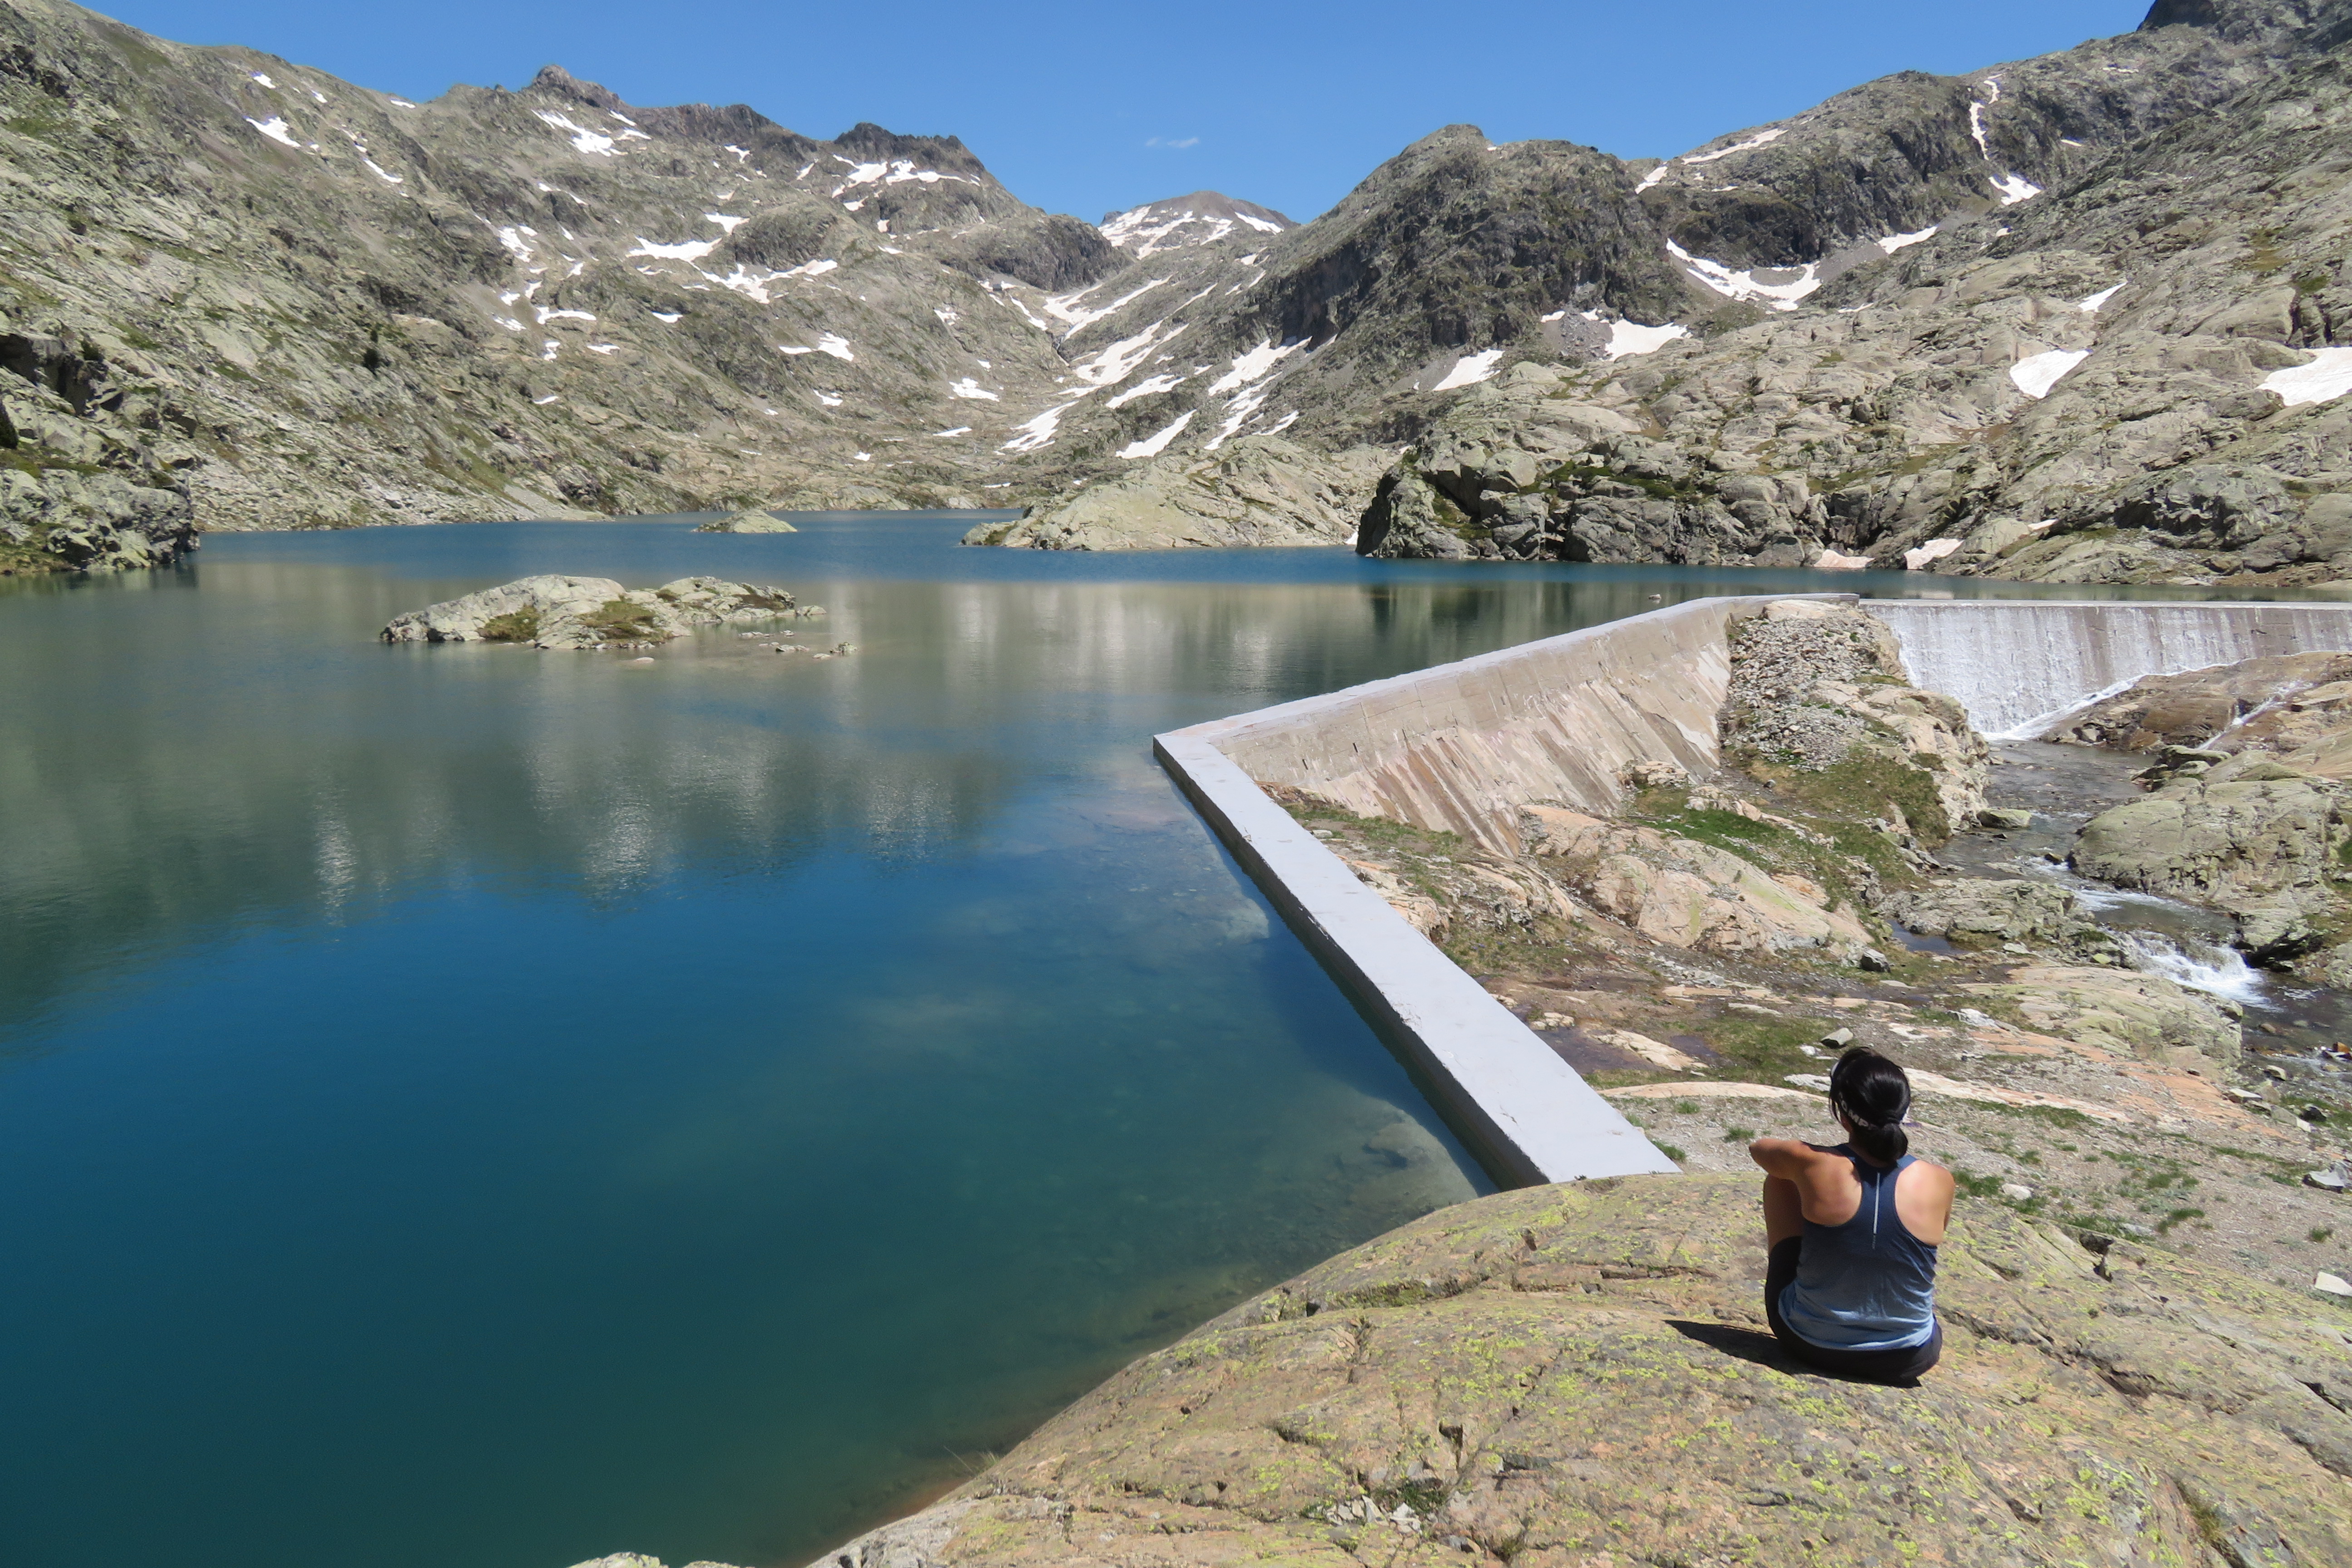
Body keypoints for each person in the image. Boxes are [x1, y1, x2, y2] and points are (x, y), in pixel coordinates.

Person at [1746, 1047, 1953, 1382]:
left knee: (1780, 1178)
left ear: (1843, 1115)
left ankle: (1820, 1304)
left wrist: (1804, 1158)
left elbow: (1758, 1149)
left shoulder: (1813, 1162)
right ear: (1904, 1112)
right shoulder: (1940, 1179)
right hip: (1910, 1356)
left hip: (1811, 1342)